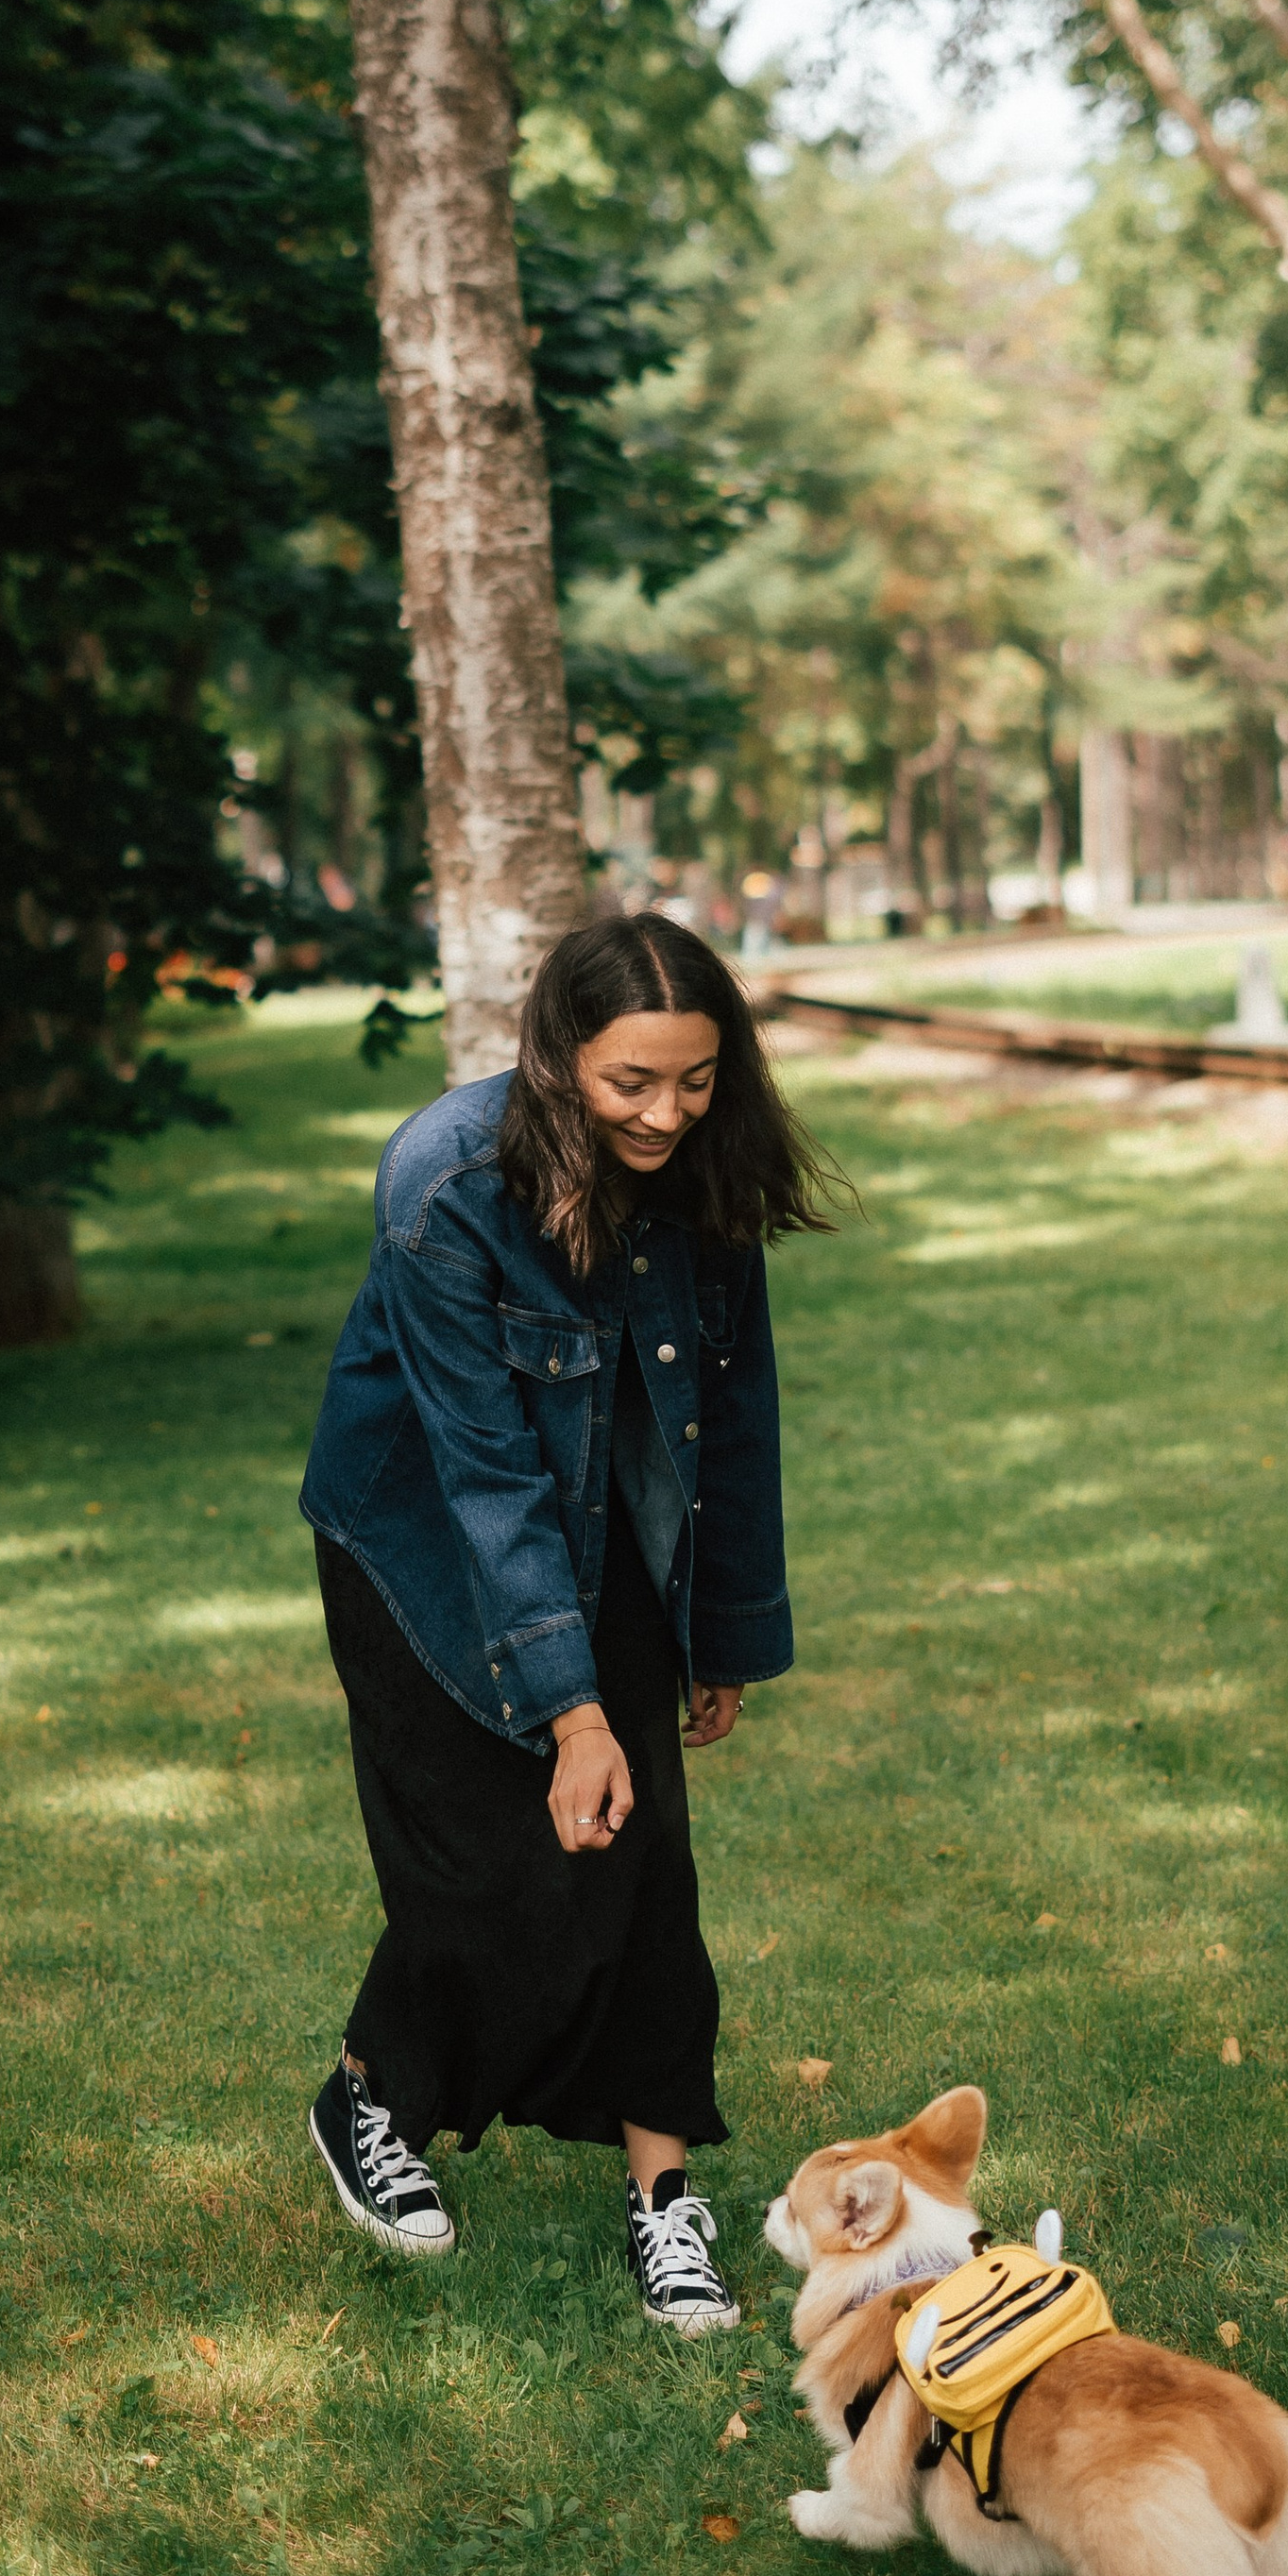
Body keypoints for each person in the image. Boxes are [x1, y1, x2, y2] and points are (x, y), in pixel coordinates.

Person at [297, 912, 838, 2333]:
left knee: (640, 1863)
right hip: (419, 1536)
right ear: (554, 1059)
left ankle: (666, 2199)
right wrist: (573, 1710)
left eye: (697, 1080)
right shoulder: (444, 1182)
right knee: (487, 1868)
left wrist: (720, 1631)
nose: (667, 1115)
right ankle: (368, 2098)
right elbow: (484, 1472)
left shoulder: (706, 1167)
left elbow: (737, 1412)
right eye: (629, 1084)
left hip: (618, 1532)